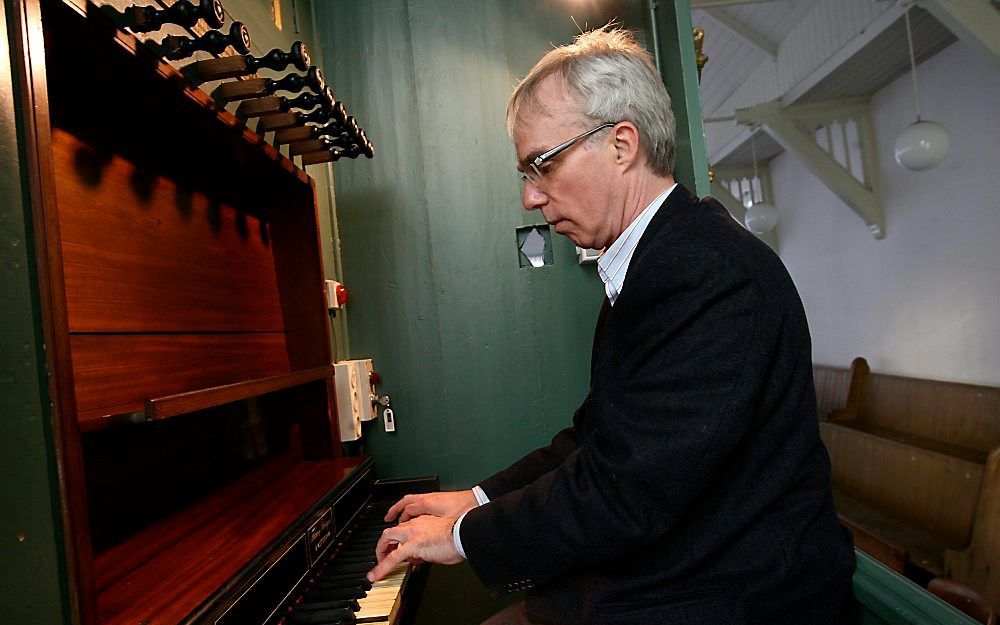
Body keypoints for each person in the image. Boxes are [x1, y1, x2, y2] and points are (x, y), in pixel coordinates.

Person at [367, 27, 856, 625]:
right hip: (679, 580)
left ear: (622, 144)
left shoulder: (705, 270)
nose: (530, 198)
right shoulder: (659, 262)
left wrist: (464, 536)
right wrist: (476, 499)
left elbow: (627, 491)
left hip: (735, 599)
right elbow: (596, 439)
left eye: (541, 166)